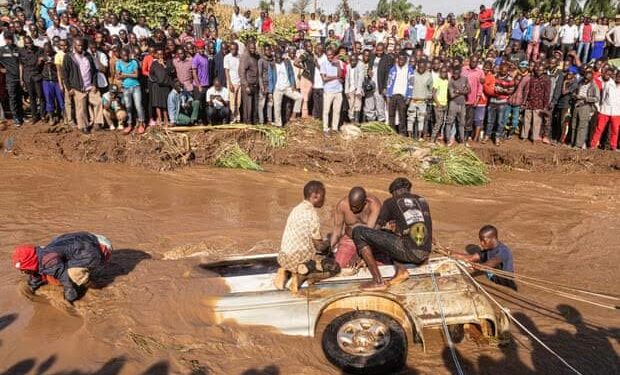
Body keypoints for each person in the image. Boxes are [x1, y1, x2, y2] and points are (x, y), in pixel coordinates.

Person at [351, 177, 432, 290]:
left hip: (411, 252)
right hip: (425, 251)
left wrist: (360, 252)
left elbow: (375, 230)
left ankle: (377, 281)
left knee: (358, 231)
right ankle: (400, 271)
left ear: (394, 192)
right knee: (391, 234)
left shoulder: (391, 202)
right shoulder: (423, 201)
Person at [12, 232, 113, 303]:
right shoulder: (41, 253)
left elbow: (66, 281)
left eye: (23, 269)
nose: (22, 272)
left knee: (72, 274)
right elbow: (36, 273)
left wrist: (69, 299)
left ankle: (98, 287)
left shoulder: (47, 260)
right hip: (93, 237)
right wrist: (31, 287)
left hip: (103, 247)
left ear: (29, 263)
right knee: (52, 270)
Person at [276, 181, 336, 291]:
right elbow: (319, 247)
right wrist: (330, 241)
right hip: (298, 261)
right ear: (316, 195)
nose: (324, 199)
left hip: (283, 257)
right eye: (324, 195)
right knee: (333, 269)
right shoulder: (312, 215)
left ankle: (284, 271)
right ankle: (301, 278)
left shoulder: (297, 209)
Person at [330, 187, 382, 269]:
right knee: (338, 266)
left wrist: (359, 254)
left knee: (380, 266)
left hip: (370, 242)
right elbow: (337, 231)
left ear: (364, 202)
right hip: (350, 240)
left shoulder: (374, 205)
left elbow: (369, 233)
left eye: (356, 207)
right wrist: (330, 250)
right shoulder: (342, 205)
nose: (353, 209)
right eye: (351, 206)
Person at [451, 225, 517, 290]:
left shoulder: (503, 251)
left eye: (484, 241)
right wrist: (449, 253)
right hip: (492, 277)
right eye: (480, 240)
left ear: (493, 238)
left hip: (505, 283)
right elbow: (471, 258)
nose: (481, 243)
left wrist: (477, 266)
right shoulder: (488, 249)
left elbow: (490, 263)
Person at [62, 38, 103, 134]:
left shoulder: (87, 55)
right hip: (78, 87)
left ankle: (97, 123)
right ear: (74, 46)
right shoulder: (69, 57)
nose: (80, 47)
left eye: (82, 45)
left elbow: (94, 71)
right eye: (78, 45)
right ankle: (83, 126)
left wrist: (94, 84)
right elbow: (65, 74)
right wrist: (69, 88)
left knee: (98, 101)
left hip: (90, 85)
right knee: (81, 108)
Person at [268, 50, 301, 127]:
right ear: (274, 58)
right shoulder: (272, 65)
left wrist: (293, 85)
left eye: (280, 58)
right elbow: (270, 79)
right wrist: (270, 92)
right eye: (277, 58)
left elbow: (291, 74)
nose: (279, 60)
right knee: (277, 107)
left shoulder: (286, 62)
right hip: (277, 88)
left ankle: (293, 115)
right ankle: (278, 124)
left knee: (299, 97)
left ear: (282, 57)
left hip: (287, 87)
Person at [116, 48, 145, 133]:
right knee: (128, 107)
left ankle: (141, 123)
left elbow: (136, 75)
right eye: (123, 55)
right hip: (126, 88)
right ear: (120, 55)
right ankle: (129, 124)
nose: (125, 57)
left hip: (136, 86)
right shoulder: (118, 63)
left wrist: (124, 74)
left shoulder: (133, 62)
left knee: (138, 105)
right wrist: (130, 74)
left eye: (127, 55)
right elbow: (118, 76)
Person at [590, 69, 619, 151]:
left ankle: (613, 146)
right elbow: (603, 96)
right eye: (618, 76)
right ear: (615, 76)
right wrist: (600, 107)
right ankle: (593, 144)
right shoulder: (608, 84)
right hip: (605, 109)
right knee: (599, 128)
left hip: (617, 111)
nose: (619, 78)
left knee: (615, 130)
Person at [0, 32, 25, 127]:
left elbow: (20, 63)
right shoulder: (1, 50)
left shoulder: (17, 49)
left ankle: (21, 116)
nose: (9, 40)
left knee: (19, 97)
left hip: (19, 77)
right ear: (4, 39)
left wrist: (22, 78)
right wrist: (1, 69)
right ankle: (16, 118)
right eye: (7, 38)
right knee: (13, 98)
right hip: (10, 78)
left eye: (10, 38)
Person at [386, 53, 414, 135]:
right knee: (391, 115)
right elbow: (389, 82)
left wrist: (409, 97)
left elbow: (411, 84)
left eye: (402, 59)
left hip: (403, 96)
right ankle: (392, 131)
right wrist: (388, 95)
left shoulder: (409, 70)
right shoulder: (393, 69)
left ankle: (402, 133)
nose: (400, 61)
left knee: (402, 115)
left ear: (405, 60)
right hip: (393, 95)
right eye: (399, 59)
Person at [571, 69, 599, 149]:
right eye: (585, 77)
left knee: (582, 126)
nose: (586, 79)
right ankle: (573, 142)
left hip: (585, 106)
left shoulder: (594, 86)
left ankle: (578, 144)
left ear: (591, 78)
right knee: (574, 124)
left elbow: (596, 98)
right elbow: (576, 91)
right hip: (577, 104)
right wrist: (575, 95)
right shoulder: (580, 83)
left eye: (588, 78)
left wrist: (585, 98)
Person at [320, 47, 344, 133]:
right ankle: (325, 128)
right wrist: (335, 77)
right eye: (328, 55)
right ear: (326, 55)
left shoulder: (339, 63)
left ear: (334, 55)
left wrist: (337, 65)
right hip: (328, 91)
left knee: (337, 111)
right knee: (326, 111)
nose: (330, 56)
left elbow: (341, 75)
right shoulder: (324, 64)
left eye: (331, 55)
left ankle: (334, 128)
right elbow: (324, 78)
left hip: (338, 90)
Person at [446, 66, 470, 145]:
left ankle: (462, 140)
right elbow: (452, 95)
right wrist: (462, 91)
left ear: (460, 72)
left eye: (457, 73)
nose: (455, 75)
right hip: (453, 103)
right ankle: (447, 140)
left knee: (461, 123)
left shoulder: (464, 79)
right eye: (454, 73)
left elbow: (469, 90)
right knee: (449, 122)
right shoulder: (451, 81)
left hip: (462, 104)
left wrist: (458, 91)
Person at [239, 41, 259, 124]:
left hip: (255, 84)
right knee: (248, 105)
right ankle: (247, 122)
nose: (253, 50)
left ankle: (254, 121)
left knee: (255, 104)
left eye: (254, 48)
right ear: (247, 48)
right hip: (248, 84)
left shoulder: (255, 56)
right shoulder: (245, 57)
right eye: (251, 48)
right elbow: (241, 72)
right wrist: (246, 85)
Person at [224, 42, 241, 123]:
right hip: (232, 82)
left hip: (239, 82)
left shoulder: (240, 56)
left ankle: (237, 117)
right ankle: (232, 118)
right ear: (230, 49)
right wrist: (230, 83)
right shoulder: (227, 57)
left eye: (235, 49)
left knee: (238, 102)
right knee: (232, 102)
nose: (234, 51)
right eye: (232, 49)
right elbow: (226, 71)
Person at [344, 53, 364, 123]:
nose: (353, 62)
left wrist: (358, 90)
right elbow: (347, 79)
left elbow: (360, 78)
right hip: (350, 89)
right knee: (351, 105)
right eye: (352, 60)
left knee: (357, 105)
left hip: (357, 88)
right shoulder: (348, 67)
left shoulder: (360, 65)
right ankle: (352, 120)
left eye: (355, 61)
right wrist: (346, 90)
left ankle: (356, 121)